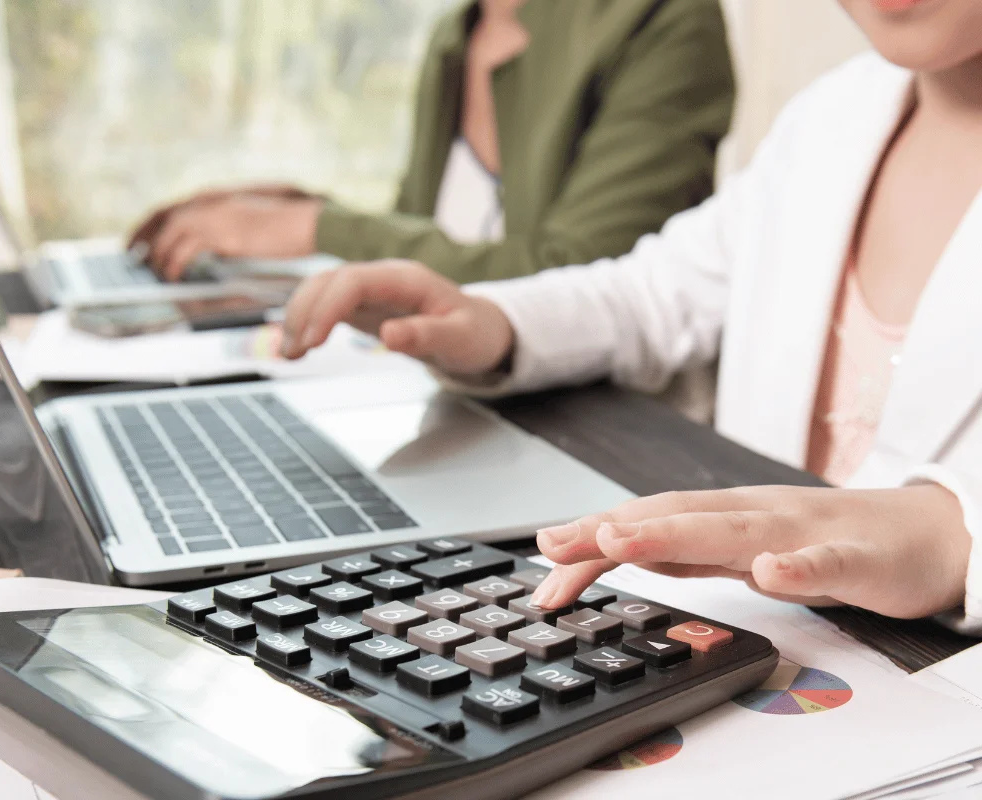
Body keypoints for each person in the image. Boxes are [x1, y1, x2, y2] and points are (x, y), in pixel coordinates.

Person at [278, 0, 982, 634]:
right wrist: (495, 323)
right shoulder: (831, 116)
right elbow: (654, 291)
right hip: (758, 638)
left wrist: (956, 535)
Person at [128, 0, 735, 285]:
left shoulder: (664, 19)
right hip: (460, 405)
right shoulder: (458, 33)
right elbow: (425, 234)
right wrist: (278, 210)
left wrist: (314, 228)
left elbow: (580, 280)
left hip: (605, 434)